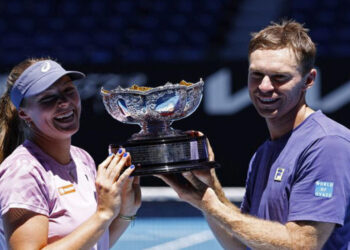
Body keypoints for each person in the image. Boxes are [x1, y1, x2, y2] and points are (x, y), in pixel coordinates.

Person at [158, 20, 350, 249]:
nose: (265, 86)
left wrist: (212, 205)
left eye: (280, 77)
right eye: (257, 75)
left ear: (308, 80)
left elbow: (302, 245)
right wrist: (207, 188)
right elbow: (242, 244)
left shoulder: (327, 145)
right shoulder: (263, 154)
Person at [0, 58, 141, 249]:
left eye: (68, 90)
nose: (64, 102)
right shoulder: (23, 171)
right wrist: (103, 214)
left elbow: (95, 244)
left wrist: (125, 212)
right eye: (47, 98)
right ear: (24, 113)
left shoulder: (82, 159)